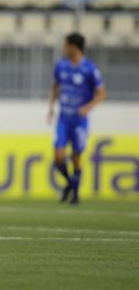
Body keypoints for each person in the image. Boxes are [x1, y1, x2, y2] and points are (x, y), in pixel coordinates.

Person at [48, 32, 106, 205]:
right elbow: (55, 86)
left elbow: (102, 92)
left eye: (66, 45)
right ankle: (70, 183)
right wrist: (51, 107)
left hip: (80, 120)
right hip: (64, 118)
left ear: (74, 47)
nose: (64, 48)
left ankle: (75, 195)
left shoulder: (90, 68)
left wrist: (88, 107)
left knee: (76, 157)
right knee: (58, 158)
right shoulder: (61, 65)